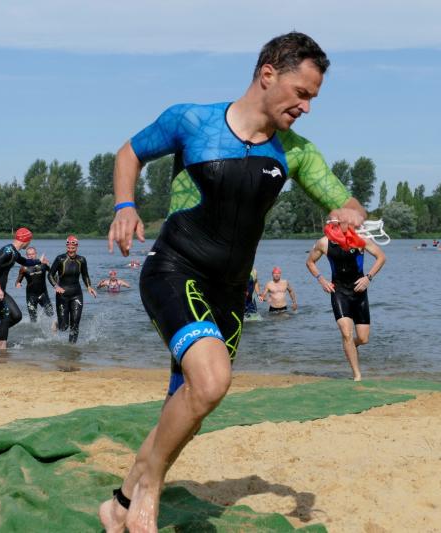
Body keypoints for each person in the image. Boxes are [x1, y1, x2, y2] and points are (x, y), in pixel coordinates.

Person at [101, 32, 366, 532]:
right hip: (174, 268)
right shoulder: (192, 121)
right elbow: (129, 153)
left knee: (189, 407)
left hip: (231, 292)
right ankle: (149, 490)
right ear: (268, 74)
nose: (307, 107)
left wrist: (350, 211)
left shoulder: (296, 152)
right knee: (212, 381)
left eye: (313, 98)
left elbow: (344, 200)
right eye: (301, 93)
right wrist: (125, 205)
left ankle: (119, 504)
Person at [306, 224, 386, 381]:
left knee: (363, 339)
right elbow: (310, 262)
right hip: (339, 292)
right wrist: (321, 280)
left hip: (359, 291)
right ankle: (357, 374)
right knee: (346, 333)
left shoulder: (360, 239)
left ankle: (351, 346)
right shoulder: (324, 242)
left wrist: (368, 278)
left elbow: (381, 257)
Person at [0, 227, 46, 350]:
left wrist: (39, 261)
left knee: (17, 316)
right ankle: (2, 348)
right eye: (30, 240)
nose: (29, 243)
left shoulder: (15, 253)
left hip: (0, 291)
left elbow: (25, 262)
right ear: (26, 240)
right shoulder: (7, 250)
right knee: (6, 317)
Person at [47, 235, 97, 343]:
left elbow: (85, 275)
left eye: (73, 248)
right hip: (62, 294)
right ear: (66, 247)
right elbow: (50, 274)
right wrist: (56, 286)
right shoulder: (60, 259)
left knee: (75, 323)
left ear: (77, 247)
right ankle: (57, 323)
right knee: (64, 327)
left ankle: (72, 348)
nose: (70, 250)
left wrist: (89, 286)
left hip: (76, 294)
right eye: (68, 248)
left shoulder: (81, 260)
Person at [14, 246, 53, 323]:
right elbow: (18, 281)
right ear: (26, 256)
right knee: (33, 319)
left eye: (33, 254)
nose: (31, 256)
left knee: (50, 314)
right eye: (29, 254)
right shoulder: (24, 268)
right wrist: (18, 284)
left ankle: (51, 327)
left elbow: (52, 274)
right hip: (31, 296)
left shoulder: (43, 264)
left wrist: (48, 264)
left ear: (36, 254)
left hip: (43, 294)